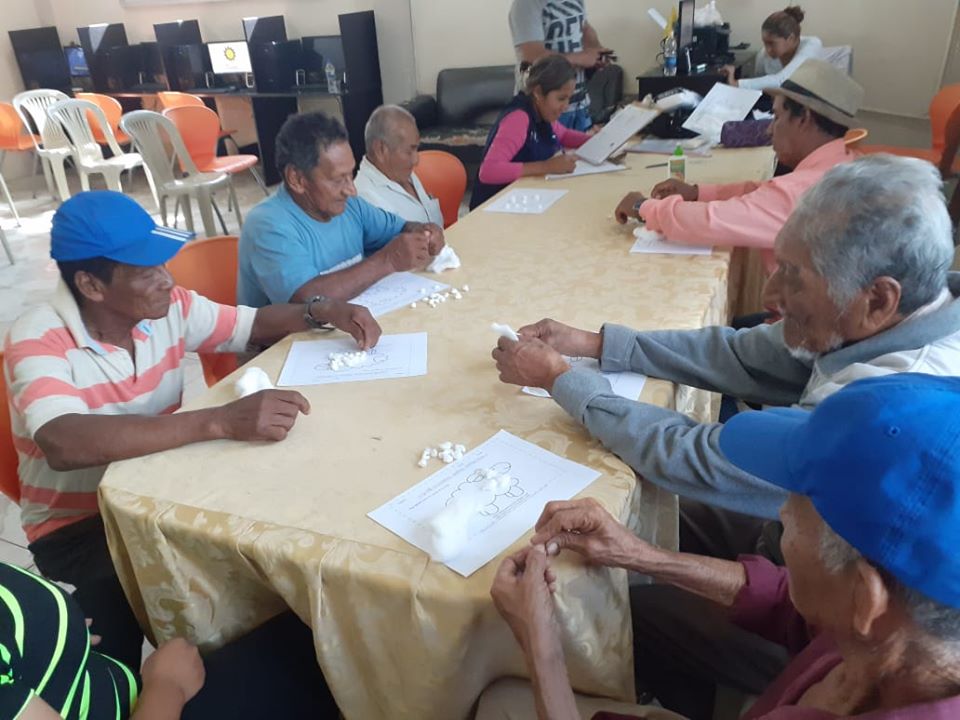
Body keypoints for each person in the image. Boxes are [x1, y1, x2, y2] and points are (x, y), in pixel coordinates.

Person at [493, 154, 960, 561]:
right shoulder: (891, 316)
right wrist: (595, 344)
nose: (770, 295)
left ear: (878, 299)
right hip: (788, 536)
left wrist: (561, 379)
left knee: (582, 562)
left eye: (793, 275)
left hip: (801, 592)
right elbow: (741, 354)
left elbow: (694, 457)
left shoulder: (888, 407)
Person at [3, 190, 380, 670]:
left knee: (285, 528)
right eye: (147, 272)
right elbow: (63, 440)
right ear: (91, 286)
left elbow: (251, 323)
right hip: (82, 526)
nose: (168, 280)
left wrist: (321, 311)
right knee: (119, 653)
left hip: (165, 484)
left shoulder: (167, 308)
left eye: (163, 265)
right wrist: (219, 420)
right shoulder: (38, 338)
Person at [480, 373, 960, 720]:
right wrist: (636, 553)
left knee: (499, 701)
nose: (782, 515)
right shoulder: (905, 631)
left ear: (866, 597)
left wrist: (541, 646)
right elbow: (787, 602)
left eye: (797, 514)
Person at [0, 561, 340, 719]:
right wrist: (167, 686)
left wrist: (53, 639)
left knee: (115, 578)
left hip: (78, 674)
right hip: (144, 707)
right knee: (314, 638)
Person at [614, 59, 862, 273]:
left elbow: (712, 221)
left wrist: (642, 206)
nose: (769, 129)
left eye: (776, 117)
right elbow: (762, 193)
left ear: (804, 119)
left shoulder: (805, 192)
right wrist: (697, 192)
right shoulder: (842, 161)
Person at [237, 112, 445, 308]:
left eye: (350, 175)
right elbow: (307, 303)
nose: (351, 190)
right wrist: (388, 260)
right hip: (291, 335)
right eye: (338, 180)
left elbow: (401, 228)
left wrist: (425, 232)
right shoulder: (267, 225)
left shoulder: (350, 206)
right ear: (297, 179)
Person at [471, 55, 591, 209]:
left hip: (523, 198)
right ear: (538, 92)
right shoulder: (519, 118)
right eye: (561, 99)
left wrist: (599, 140)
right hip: (495, 205)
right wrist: (547, 166)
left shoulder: (543, 112)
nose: (566, 106)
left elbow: (563, 135)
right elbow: (488, 171)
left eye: (569, 99)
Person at [508, 0, 611, 131]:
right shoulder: (525, 4)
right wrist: (582, 58)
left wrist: (597, 52)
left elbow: (584, 27)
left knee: (583, 144)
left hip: (579, 105)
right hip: (544, 110)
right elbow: (532, 56)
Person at [354, 105, 444, 227]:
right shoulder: (368, 201)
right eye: (409, 151)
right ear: (381, 150)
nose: (416, 160)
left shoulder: (399, 171)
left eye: (416, 149)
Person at [721, 6, 824, 90]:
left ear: (791, 38)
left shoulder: (812, 45)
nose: (767, 49)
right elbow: (758, 84)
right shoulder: (763, 55)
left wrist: (736, 84)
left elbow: (782, 81)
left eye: (771, 43)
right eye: (765, 43)